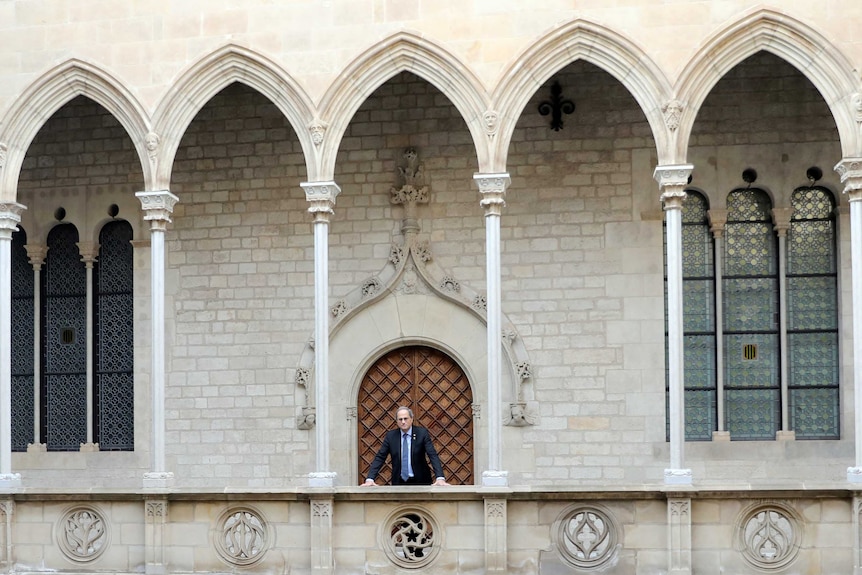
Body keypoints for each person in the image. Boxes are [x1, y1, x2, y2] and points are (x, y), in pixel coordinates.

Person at [362, 406, 449, 486]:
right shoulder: (391, 436)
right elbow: (380, 457)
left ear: (411, 419)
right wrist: (370, 478)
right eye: (400, 419)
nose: (403, 422)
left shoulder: (422, 434)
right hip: (399, 482)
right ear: (396, 421)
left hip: (421, 481)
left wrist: (440, 477)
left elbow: (432, 455)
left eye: (405, 419)